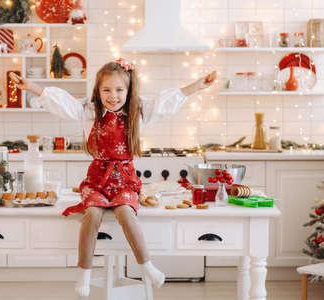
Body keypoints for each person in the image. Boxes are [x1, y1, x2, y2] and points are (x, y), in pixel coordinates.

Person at [13, 58, 216, 297]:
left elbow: (166, 102)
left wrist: (197, 85)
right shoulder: (88, 112)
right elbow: (63, 102)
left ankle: (147, 265)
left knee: (126, 213)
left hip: (125, 179)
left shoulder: (138, 113)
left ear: (128, 92)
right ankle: (84, 271)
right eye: (106, 90)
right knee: (92, 214)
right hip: (97, 179)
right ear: (98, 92)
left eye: (119, 90)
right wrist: (33, 87)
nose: (113, 96)